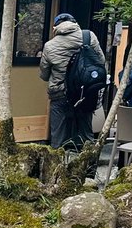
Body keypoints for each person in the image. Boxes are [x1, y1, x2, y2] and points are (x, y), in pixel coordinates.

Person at [40, 12, 106, 150]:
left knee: (58, 137)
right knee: (86, 135)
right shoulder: (89, 36)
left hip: (60, 95)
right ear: (75, 23)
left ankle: (56, 168)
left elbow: (44, 74)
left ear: (55, 27)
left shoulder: (49, 46)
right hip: (84, 93)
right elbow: (101, 61)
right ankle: (88, 168)